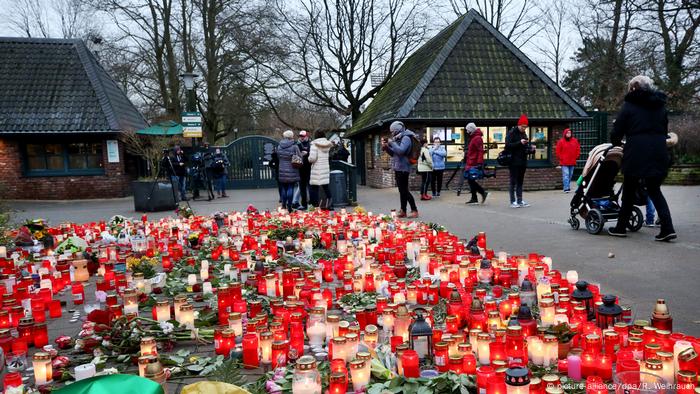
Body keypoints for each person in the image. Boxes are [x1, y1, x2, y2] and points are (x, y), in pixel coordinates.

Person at [608, 75, 676, 241]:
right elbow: (664, 128)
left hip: (636, 152)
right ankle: (668, 228)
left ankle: (621, 227)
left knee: (629, 191)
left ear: (633, 88)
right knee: (654, 190)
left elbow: (618, 129)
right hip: (659, 150)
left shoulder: (629, 105)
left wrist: (617, 142)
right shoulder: (660, 106)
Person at [382, 121, 418, 218]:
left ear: (398, 130)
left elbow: (401, 151)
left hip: (404, 167)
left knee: (404, 190)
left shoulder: (406, 138)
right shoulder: (399, 138)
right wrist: (386, 148)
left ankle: (414, 210)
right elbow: (394, 154)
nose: (392, 133)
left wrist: (391, 143)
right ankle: (403, 210)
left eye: (393, 131)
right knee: (402, 191)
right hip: (398, 167)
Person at [506, 114, 534, 208]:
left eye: (525, 127)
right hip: (513, 161)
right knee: (513, 181)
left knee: (520, 182)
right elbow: (508, 146)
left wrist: (531, 149)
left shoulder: (524, 134)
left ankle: (520, 200)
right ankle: (512, 201)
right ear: (519, 125)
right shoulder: (512, 133)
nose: (524, 128)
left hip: (522, 161)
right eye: (523, 126)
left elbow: (525, 149)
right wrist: (519, 142)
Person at [308, 130, 334, 210]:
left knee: (313, 187)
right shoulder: (327, 145)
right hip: (325, 168)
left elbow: (312, 159)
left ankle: (315, 206)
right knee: (326, 187)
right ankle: (330, 204)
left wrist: (308, 158)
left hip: (316, 169)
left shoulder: (314, 145)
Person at [277, 130, 302, 211]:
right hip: (292, 169)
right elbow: (299, 157)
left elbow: (278, 156)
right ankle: (289, 206)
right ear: (291, 136)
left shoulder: (279, 146)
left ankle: (284, 205)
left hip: (282, 168)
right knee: (290, 187)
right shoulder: (294, 146)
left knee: (284, 187)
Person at [465, 123, 488, 204]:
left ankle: (482, 193)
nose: (467, 131)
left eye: (467, 129)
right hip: (470, 161)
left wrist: (479, 163)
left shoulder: (477, 138)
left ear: (471, 129)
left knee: (471, 180)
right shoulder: (474, 138)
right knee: (470, 180)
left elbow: (480, 151)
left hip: (473, 162)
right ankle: (474, 198)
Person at [555, 128, 581, 193]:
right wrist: (561, 158)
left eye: (570, 133)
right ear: (565, 133)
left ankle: (568, 186)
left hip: (572, 161)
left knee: (570, 175)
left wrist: (576, 156)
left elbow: (578, 149)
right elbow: (558, 151)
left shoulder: (575, 141)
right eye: (567, 133)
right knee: (566, 175)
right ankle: (566, 188)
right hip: (564, 162)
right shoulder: (561, 141)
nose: (569, 134)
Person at [296, 130, 312, 210]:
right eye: (300, 136)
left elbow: (312, 154)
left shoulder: (310, 144)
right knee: (302, 188)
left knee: (310, 187)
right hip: (300, 168)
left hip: (309, 168)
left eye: (303, 136)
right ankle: (304, 204)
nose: (301, 137)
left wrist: (307, 153)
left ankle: (311, 204)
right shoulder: (296, 144)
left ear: (306, 136)